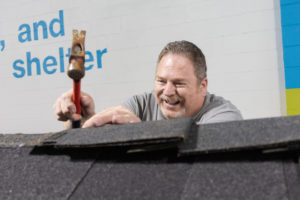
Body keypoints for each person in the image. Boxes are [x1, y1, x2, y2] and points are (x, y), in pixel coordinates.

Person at [54, 41, 242, 129]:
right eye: (161, 81)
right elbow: (104, 146)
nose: (168, 92)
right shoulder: (140, 104)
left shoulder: (224, 117)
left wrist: (142, 132)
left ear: (203, 85)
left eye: (179, 83)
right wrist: (81, 120)